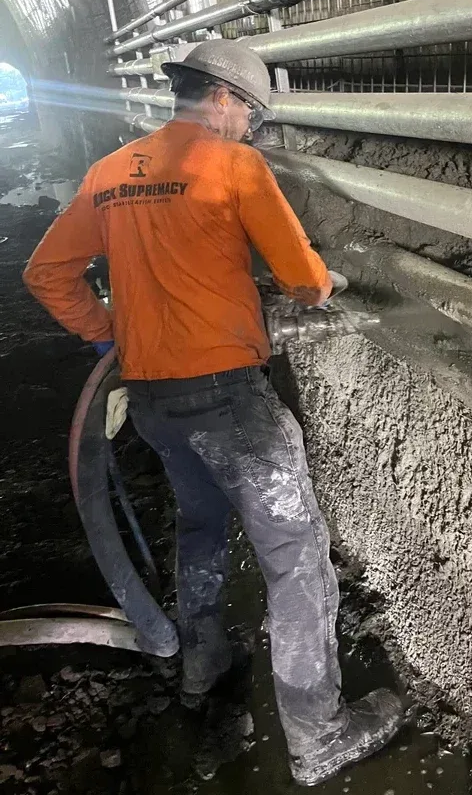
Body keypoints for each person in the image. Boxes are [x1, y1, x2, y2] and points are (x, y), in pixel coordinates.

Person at [23, 39, 403, 786]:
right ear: (225, 99)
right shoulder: (234, 166)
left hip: (154, 402)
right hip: (229, 403)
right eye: (252, 117)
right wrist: (325, 282)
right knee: (296, 560)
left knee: (200, 527)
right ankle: (319, 735)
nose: (250, 132)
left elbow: (46, 272)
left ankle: (203, 667)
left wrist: (110, 330)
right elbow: (301, 280)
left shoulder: (108, 174)